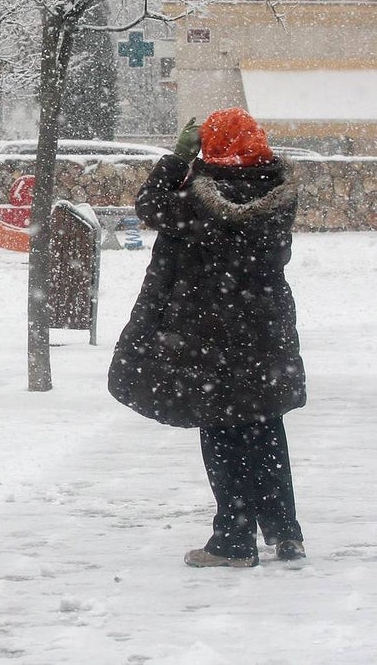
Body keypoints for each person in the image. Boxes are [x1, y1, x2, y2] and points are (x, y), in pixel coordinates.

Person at [108, 108, 307, 568]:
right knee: (265, 428)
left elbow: (149, 205)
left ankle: (234, 541)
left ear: (210, 147)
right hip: (263, 332)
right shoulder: (278, 193)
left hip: (209, 333)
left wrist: (178, 160)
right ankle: (285, 532)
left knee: (222, 432)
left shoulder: (197, 199)